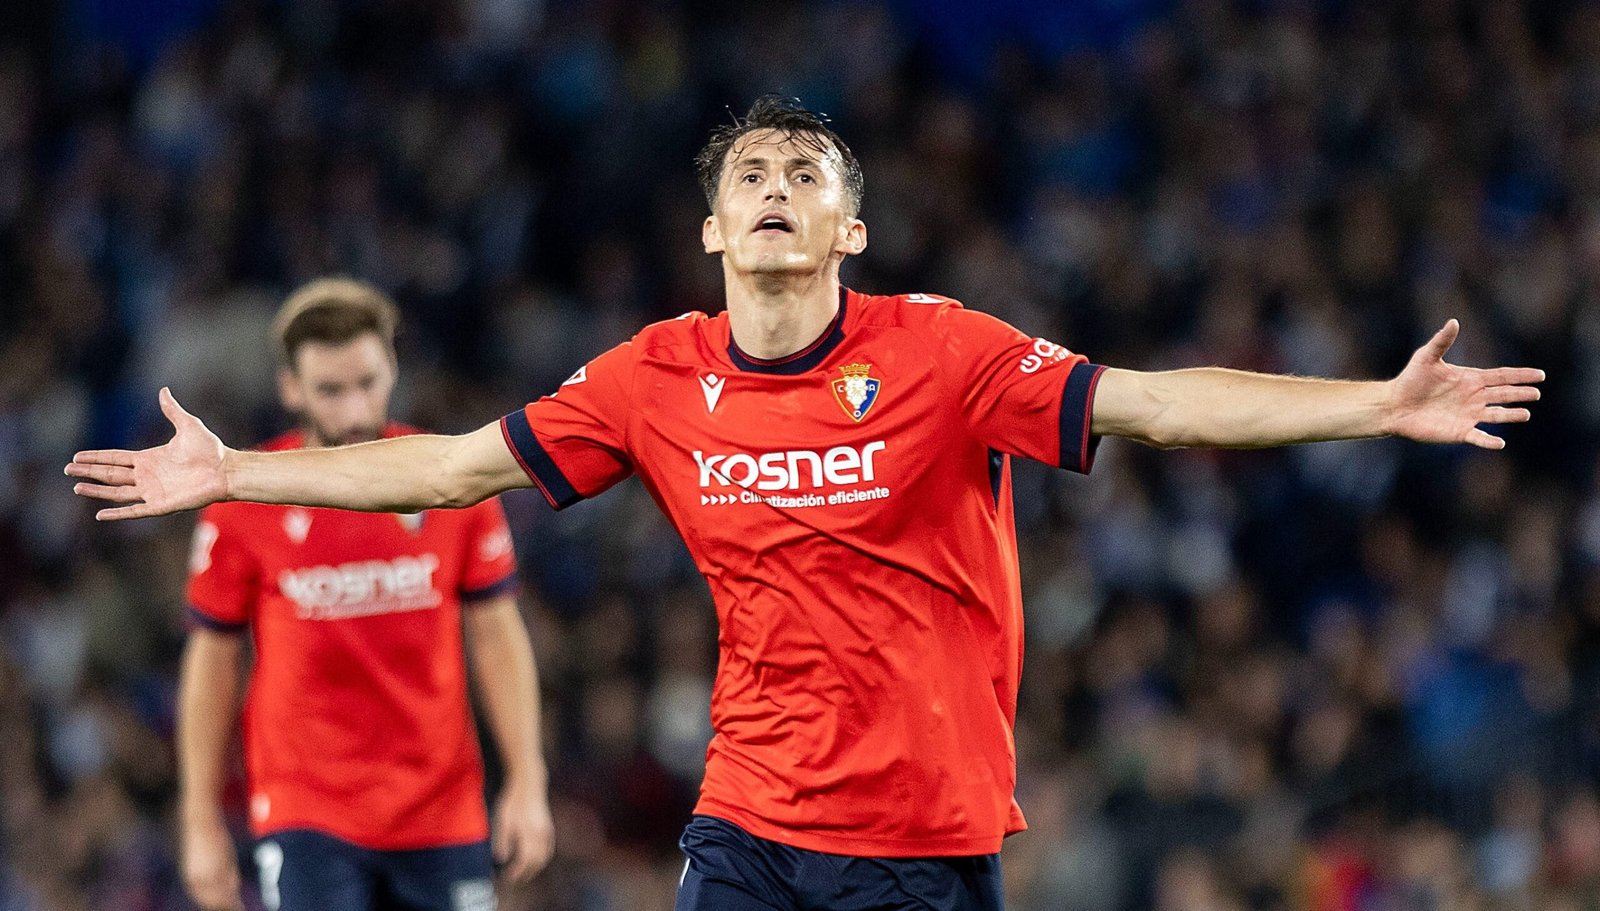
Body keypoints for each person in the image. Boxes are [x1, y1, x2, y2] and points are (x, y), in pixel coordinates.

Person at [69, 98, 1543, 911]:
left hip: (922, 833)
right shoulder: (652, 375)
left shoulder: (945, 352)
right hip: (749, 816)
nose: (776, 185)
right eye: (752, 174)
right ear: (715, 227)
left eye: (806, 173)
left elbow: (1159, 399)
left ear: (853, 226)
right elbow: (447, 464)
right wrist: (236, 472)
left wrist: (1373, 404)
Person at [172, 279, 553, 911]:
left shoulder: (451, 480)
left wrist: (527, 777)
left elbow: (497, 634)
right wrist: (199, 820)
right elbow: (212, 664)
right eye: (330, 390)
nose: (354, 411)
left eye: (368, 383)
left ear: (392, 368)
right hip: (306, 812)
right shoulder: (243, 502)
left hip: (441, 808)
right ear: (290, 388)